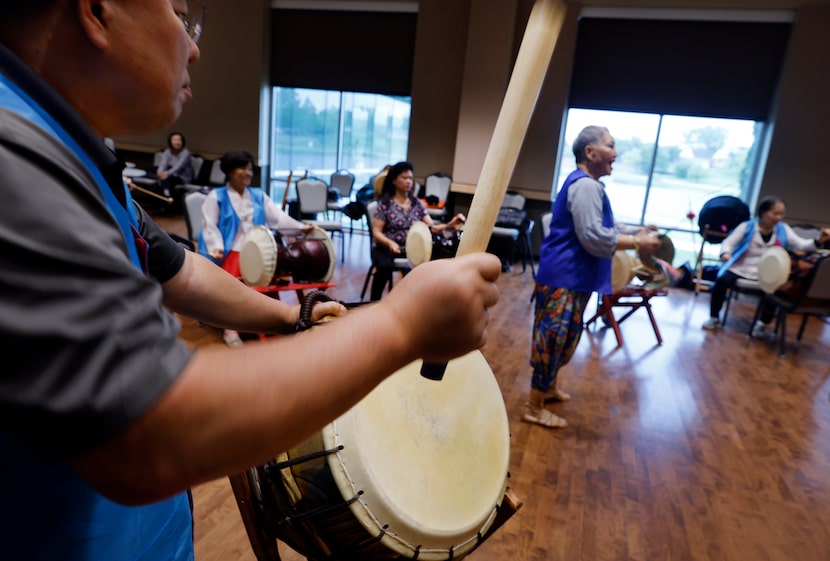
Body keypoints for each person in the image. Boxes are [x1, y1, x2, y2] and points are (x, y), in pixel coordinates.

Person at [0, 3, 500, 560]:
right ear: (96, 10)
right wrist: (401, 325)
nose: (194, 47)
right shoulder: (12, 157)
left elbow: (180, 271)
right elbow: (144, 436)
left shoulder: (73, 151)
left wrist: (293, 314)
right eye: (181, 16)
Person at [526, 125, 662, 429]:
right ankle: (533, 407)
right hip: (564, 277)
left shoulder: (588, 185)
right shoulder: (586, 186)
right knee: (554, 339)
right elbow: (593, 237)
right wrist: (638, 243)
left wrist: (633, 232)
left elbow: (602, 226)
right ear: (590, 152)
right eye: (610, 146)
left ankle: (547, 389)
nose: (615, 153)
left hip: (571, 276)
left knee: (565, 338)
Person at [199, 149, 311, 346]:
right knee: (231, 288)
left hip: (258, 249)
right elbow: (209, 224)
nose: (248, 173)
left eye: (250, 169)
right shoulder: (216, 196)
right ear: (230, 171)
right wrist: (215, 246)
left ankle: (267, 322)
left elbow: (278, 218)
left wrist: (301, 227)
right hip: (230, 250)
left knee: (267, 278)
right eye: (243, 168)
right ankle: (230, 328)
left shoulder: (258, 195)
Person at [701, 196, 830, 336]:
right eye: (775, 213)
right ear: (763, 212)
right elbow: (728, 243)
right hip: (740, 268)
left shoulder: (782, 229)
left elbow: (800, 244)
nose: (779, 217)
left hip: (766, 273)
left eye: (781, 214)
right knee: (721, 281)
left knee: (775, 289)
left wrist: (819, 241)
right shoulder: (747, 226)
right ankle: (714, 317)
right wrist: (726, 254)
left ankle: (762, 324)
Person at [370, 161, 466, 301]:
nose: (408, 181)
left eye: (410, 178)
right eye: (404, 178)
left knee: (424, 266)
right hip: (385, 246)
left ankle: (408, 304)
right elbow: (377, 232)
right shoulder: (385, 203)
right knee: (384, 267)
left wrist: (449, 225)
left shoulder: (417, 203)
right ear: (394, 180)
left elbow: (431, 228)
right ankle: (374, 303)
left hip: (409, 247)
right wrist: (390, 243)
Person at [155, 130, 193, 196]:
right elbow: (163, 164)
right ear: (170, 141)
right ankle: (165, 192)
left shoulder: (185, 153)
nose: (177, 142)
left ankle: (166, 193)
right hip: (169, 175)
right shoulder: (168, 151)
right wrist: (159, 172)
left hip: (181, 177)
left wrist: (166, 174)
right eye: (175, 140)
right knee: (155, 171)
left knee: (167, 179)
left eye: (179, 140)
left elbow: (178, 168)